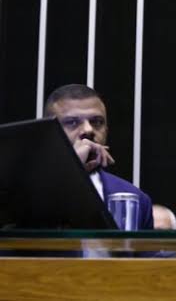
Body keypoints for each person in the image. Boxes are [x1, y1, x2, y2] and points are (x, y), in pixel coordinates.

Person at [45, 84, 154, 229]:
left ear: (106, 130)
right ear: (49, 133)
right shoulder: (27, 191)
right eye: (72, 122)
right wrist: (71, 171)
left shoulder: (136, 199)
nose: (88, 130)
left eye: (97, 122)